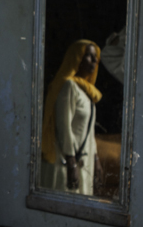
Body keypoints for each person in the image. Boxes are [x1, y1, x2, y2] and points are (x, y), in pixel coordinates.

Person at [41, 40, 103, 195]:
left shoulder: (88, 94)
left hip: (83, 163)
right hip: (67, 163)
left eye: (95, 56)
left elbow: (90, 134)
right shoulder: (69, 87)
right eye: (88, 56)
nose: (95, 60)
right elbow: (64, 127)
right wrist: (71, 163)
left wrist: (96, 161)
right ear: (77, 58)